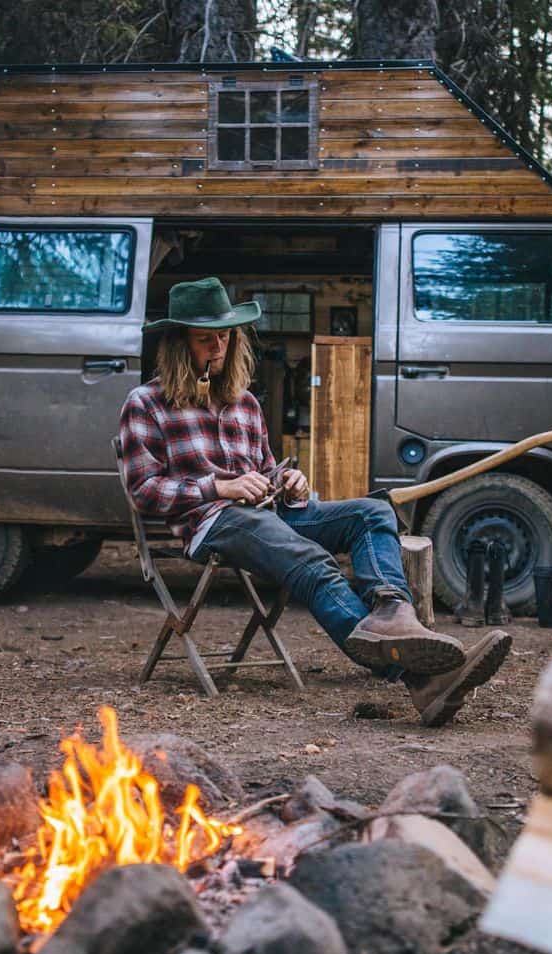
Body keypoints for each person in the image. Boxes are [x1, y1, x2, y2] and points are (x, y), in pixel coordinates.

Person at [120, 277, 511, 726]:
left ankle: (391, 610)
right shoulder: (146, 403)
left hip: (272, 513)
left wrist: (288, 479)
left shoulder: (244, 402)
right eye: (206, 338)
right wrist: (218, 488)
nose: (219, 346)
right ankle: (420, 678)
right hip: (213, 524)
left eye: (225, 336)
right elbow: (143, 492)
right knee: (311, 561)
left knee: (373, 511)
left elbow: (265, 470)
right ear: (177, 344)